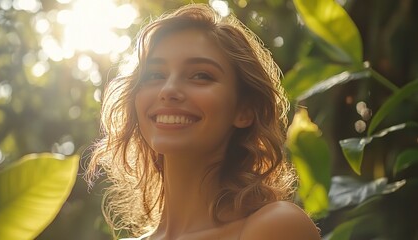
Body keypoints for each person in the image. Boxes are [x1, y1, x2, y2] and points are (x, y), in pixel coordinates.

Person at [86, 3, 321, 240]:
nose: (168, 90)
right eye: (155, 75)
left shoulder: (276, 226)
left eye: (201, 75)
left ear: (244, 110)